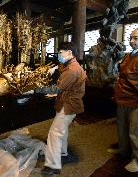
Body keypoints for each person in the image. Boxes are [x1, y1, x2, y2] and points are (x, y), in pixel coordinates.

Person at [34, 42, 87, 175]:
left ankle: (52, 166)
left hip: (69, 105)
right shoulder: (69, 64)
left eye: (61, 52)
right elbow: (62, 68)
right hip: (66, 102)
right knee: (61, 132)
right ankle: (63, 153)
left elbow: (55, 89)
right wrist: (55, 68)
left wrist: (33, 90)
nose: (59, 55)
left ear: (69, 52)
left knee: (54, 133)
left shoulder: (72, 70)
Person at [108, 28, 138, 172]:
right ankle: (123, 150)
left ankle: (137, 160)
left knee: (135, 132)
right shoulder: (128, 56)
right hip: (122, 99)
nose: (132, 41)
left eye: (136, 38)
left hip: (135, 101)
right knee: (122, 128)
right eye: (131, 38)